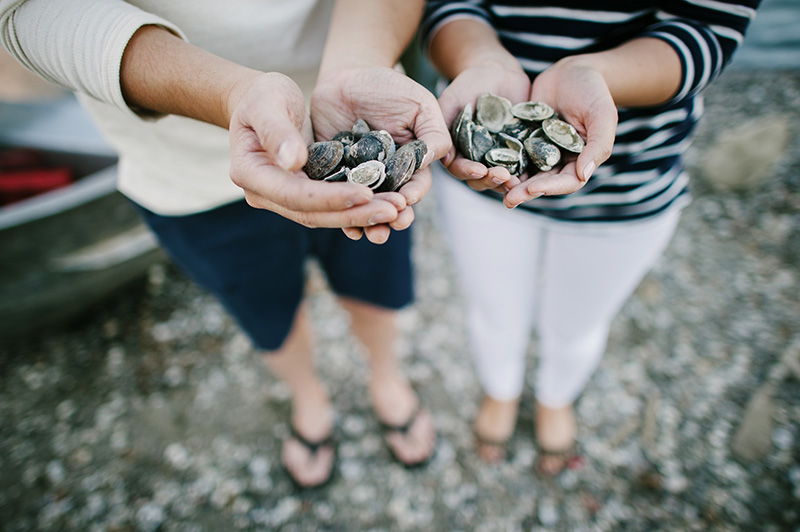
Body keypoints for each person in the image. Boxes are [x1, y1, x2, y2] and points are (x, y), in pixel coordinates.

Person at [0, 0, 451, 488]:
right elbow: (23, 11)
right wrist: (232, 95)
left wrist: (358, 62)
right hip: (184, 170)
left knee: (375, 280)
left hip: (353, 111)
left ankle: (386, 378)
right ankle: (308, 398)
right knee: (267, 312)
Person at [420, 0, 760, 474]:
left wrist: (596, 73)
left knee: (577, 324)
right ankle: (501, 389)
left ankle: (555, 396)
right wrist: (481, 61)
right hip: (480, 169)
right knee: (493, 311)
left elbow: (710, 28)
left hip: (630, 181)